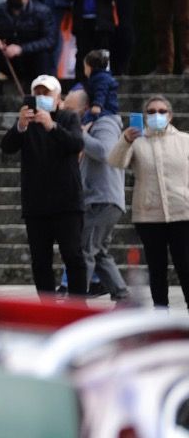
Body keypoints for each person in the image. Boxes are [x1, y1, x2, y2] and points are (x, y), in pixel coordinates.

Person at [0, 73, 85, 297]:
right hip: (36, 203)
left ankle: (77, 304)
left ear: (58, 97)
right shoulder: (27, 122)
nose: (41, 96)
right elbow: (6, 147)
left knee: (73, 255)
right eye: (37, 92)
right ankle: (47, 305)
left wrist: (52, 126)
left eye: (47, 93)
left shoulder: (68, 117)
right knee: (40, 260)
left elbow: (76, 143)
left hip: (66, 201)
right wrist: (20, 125)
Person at [109, 95, 189, 308]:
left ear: (170, 115)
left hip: (183, 213)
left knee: (186, 265)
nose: (157, 115)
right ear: (144, 117)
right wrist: (125, 140)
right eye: (151, 111)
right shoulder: (137, 141)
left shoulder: (185, 140)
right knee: (157, 268)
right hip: (148, 215)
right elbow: (115, 162)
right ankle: (160, 312)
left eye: (162, 111)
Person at [70, 87, 128, 303]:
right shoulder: (92, 124)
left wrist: (80, 133)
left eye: (70, 109)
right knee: (99, 252)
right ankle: (122, 295)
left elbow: (104, 152)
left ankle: (76, 302)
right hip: (100, 198)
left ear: (84, 108)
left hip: (102, 199)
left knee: (85, 251)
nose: (68, 114)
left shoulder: (105, 124)